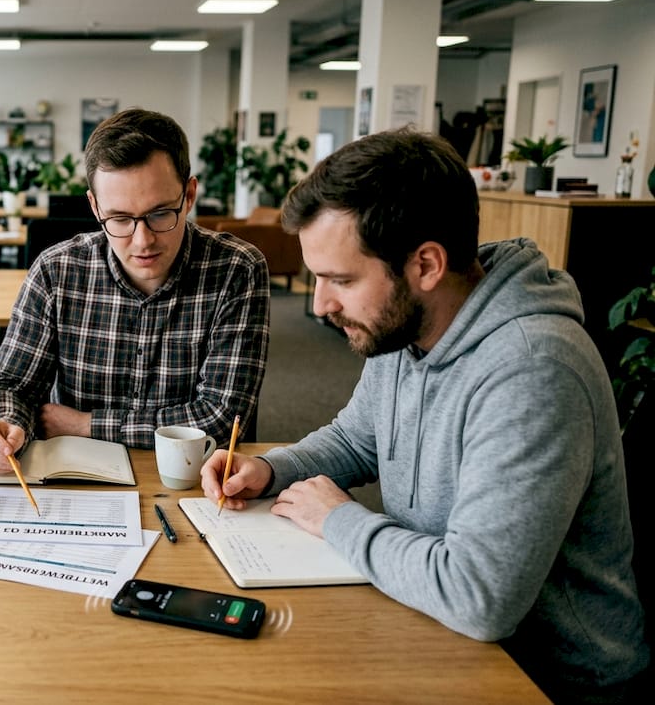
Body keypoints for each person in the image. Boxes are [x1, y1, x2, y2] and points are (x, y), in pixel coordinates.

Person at [200, 128, 648, 703]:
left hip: (542, 677)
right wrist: (272, 469)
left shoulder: (534, 369)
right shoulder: (407, 332)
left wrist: (338, 519)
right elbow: (357, 439)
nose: (319, 304)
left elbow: (478, 596)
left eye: (340, 279)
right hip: (433, 627)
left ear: (426, 265)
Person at [0, 107, 270, 474]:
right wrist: (4, 423)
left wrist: (84, 425)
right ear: (95, 207)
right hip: (75, 479)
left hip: (189, 483)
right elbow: (13, 384)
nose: (142, 241)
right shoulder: (56, 271)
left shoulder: (237, 270)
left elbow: (219, 419)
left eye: (161, 214)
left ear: (189, 195)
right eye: (120, 219)